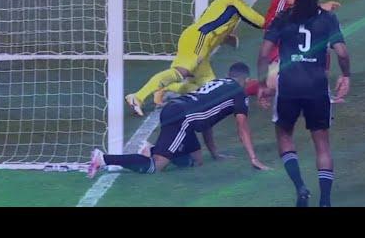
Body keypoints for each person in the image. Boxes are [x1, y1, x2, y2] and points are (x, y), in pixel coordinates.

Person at [258, 0, 350, 207]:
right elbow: (341, 52)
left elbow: (263, 54)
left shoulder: (283, 17)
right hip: (317, 89)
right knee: (322, 144)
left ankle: (300, 187)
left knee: (284, 135)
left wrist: (262, 84)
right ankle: (326, 201)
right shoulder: (328, 18)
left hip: (288, 88)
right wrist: (346, 76)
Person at [88, 62, 271, 177]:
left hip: (180, 111)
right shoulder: (238, 93)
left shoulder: (217, 83)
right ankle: (103, 158)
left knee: (196, 160)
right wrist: (253, 158)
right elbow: (242, 127)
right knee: (156, 167)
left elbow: (207, 121)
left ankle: (152, 149)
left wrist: (214, 153)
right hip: (182, 118)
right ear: (246, 80)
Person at [125, 0, 265, 116]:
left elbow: (217, 30)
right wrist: (273, 22)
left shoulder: (218, 9)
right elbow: (257, 20)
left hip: (197, 42)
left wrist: (228, 39)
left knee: (208, 90)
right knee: (182, 72)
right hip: (198, 40)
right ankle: (137, 97)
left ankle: (167, 87)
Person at [263, 0, 340, 96]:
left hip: (294, 21)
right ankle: (240, 88)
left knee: (321, 46)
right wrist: (322, 7)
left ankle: (322, 91)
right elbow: (292, 1)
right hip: (280, 24)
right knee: (271, 85)